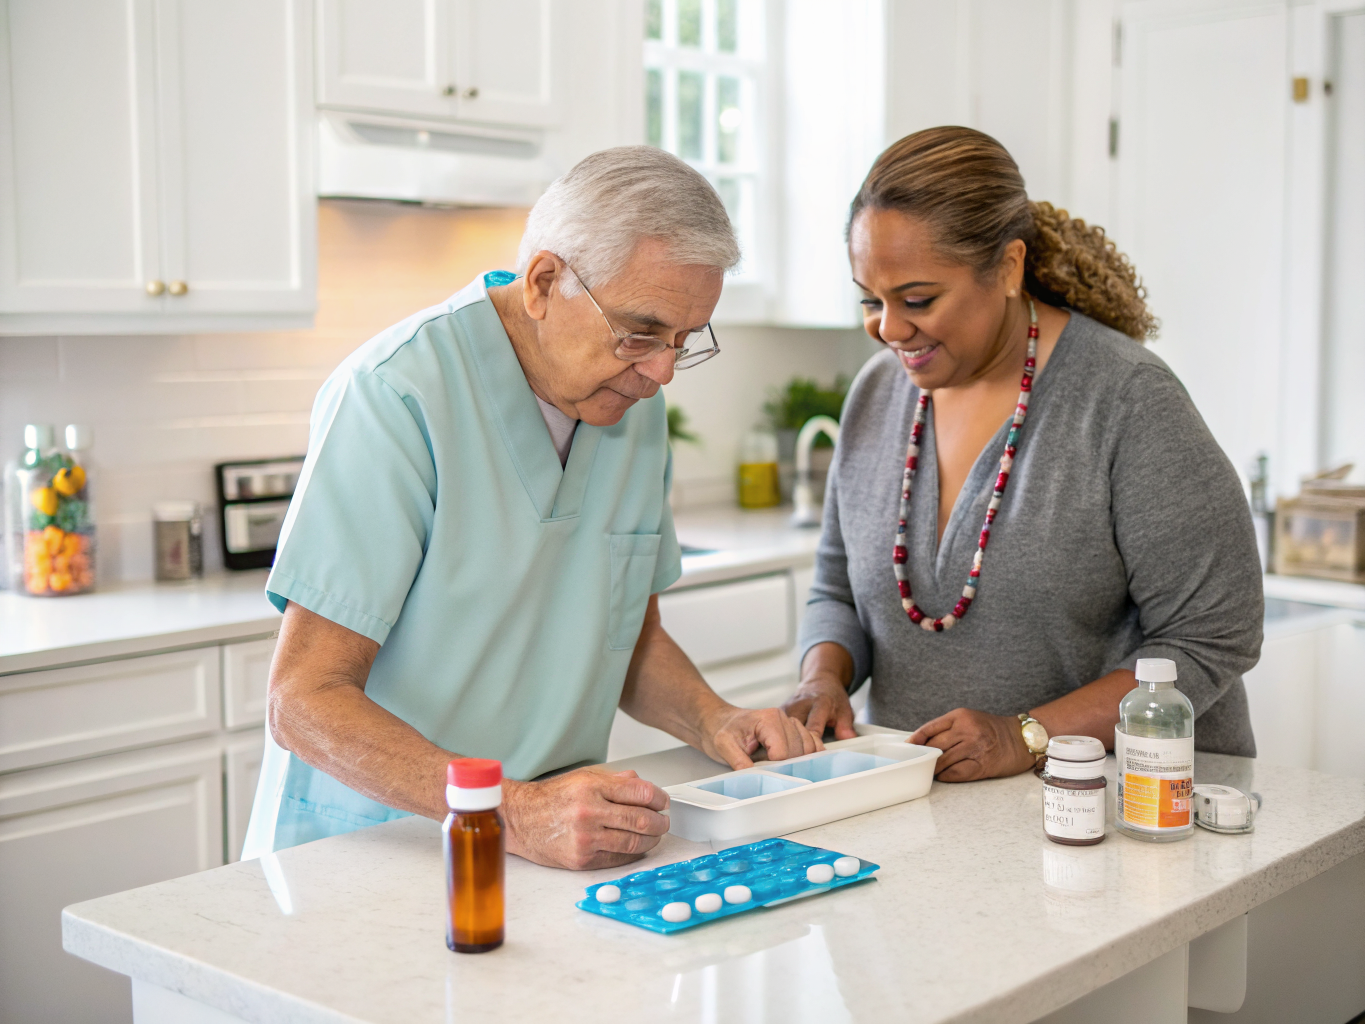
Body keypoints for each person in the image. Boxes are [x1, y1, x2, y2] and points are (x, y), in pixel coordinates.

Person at [243, 147, 821, 869]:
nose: (662, 370)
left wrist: (715, 719)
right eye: (641, 332)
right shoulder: (396, 395)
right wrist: (511, 811)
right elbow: (304, 699)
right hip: (376, 848)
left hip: (550, 845)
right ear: (546, 282)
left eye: (682, 340)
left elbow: (624, 639)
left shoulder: (632, 405)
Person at [782, 127, 1262, 780]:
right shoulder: (876, 393)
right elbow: (836, 589)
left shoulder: (1127, 400)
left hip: (1128, 802)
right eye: (870, 299)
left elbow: (1213, 636)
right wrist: (822, 678)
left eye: (918, 300)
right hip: (924, 806)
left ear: (1008, 268)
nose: (888, 328)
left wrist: (1026, 736)